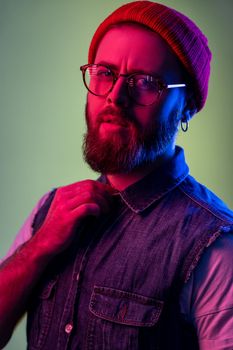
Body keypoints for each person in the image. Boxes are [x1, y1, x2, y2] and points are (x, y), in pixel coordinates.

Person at [0, 1, 233, 349]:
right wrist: (40, 248)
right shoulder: (49, 212)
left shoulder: (214, 244)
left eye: (145, 81)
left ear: (186, 107)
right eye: (105, 73)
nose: (115, 97)